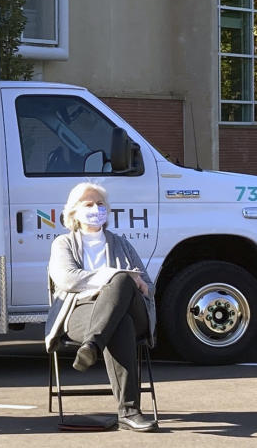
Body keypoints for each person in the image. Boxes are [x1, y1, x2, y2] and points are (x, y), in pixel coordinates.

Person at [44, 182, 159, 432]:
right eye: (88, 204)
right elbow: (66, 279)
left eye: (100, 204)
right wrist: (108, 276)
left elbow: (147, 285)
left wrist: (127, 281)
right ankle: (129, 412)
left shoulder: (121, 244)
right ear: (73, 212)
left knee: (119, 281)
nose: (96, 208)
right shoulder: (63, 244)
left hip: (129, 309)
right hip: (80, 311)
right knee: (120, 321)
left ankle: (92, 346)